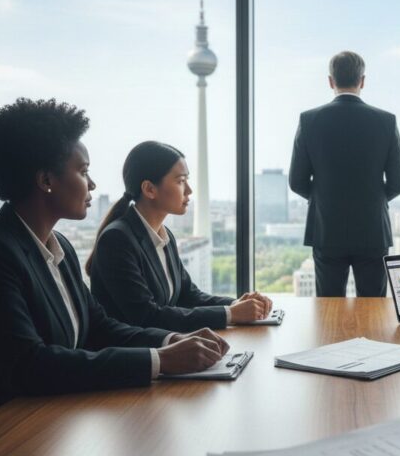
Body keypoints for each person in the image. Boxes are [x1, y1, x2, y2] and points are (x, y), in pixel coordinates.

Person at [0, 99, 228, 425]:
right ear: (46, 180)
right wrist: (159, 360)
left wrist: (171, 340)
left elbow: (100, 327)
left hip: (55, 419)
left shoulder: (60, 247)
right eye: (84, 171)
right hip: (3, 434)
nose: (92, 184)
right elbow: (29, 365)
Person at [88, 141, 272, 331]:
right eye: (181, 181)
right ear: (149, 189)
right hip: (134, 355)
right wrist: (231, 314)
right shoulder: (117, 240)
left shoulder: (164, 236)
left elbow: (188, 296)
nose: (189, 190)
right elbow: (147, 316)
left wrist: (235, 305)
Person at [288, 51, 400, 296]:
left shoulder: (309, 120)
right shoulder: (386, 121)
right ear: (362, 81)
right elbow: (398, 183)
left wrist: (324, 197)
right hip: (373, 231)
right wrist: (373, 198)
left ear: (330, 81)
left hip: (326, 230)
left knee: (329, 310)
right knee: (373, 309)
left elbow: (297, 181)